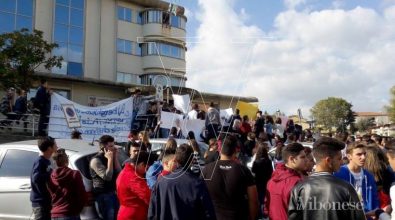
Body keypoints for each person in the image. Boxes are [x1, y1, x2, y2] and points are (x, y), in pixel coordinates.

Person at [288, 137, 365, 220]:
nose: (342, 162)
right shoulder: (345, 188)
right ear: (328, 161)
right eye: (339, 158)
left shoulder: (299, 188)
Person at [148, 144, 216, 220]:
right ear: (191, 161)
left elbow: (152, 212)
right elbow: (208, 213)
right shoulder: (197, 183)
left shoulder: (161, 182)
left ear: (175, 160)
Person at [202, 135, 258, 220]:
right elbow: (253, 200)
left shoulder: (206, 170)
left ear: (220, 150)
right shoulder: (244, 171)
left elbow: (199, 195)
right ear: (235, 151)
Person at [334, 143, 379, 215]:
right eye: (359, 154)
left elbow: (374, 197)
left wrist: (376, 211)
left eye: (364, 154)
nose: (363, 157)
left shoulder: (369, 175)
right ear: (349, 156)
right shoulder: (338, 174)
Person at [264, 143, 307, 220]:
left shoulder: (271, 181)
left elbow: (267, 208)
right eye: (303, 157)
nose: (306, 160)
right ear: (292, 159)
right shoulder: (298, 183)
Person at [48, 148, 87, 220]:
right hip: (70, 213)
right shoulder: (74, 174)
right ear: (66, 160)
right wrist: (77, 209)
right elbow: (82, 195)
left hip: (55, 214)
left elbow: (51, 194)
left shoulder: (51, 176)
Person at [89, 135, 121, 220]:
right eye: (110, 146)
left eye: (113, 146)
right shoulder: (96, 160)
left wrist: (115, 158)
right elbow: (107, 177)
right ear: (103, 147)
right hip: (103, 194)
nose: (113, 148)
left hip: (113, 192)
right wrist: (110, 160)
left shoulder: (110, 157)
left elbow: (119, 172)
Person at [116, 151, 151, 220]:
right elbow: (147, 196)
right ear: (141, 164)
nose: (146, 171)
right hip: (134, 214)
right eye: (146, 168)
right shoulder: (133, 177)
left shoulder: (125, 171)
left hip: (126, 211)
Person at [30, 137, 58, 220]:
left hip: (47, 201)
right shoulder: (40, 161)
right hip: (40, 202)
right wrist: (51, 174)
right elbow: (36, 178)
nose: (57, 146)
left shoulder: (48, 161)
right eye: (55, 145)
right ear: (50, 148)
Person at [251, 142, 273, 218]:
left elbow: (253, 171)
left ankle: (261, 213)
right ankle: (265, 212)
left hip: (258, 182)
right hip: (267, 182)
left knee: (260, 199)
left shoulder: (256, 162)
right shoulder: (268, 161)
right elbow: (271, 171)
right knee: (266, 198)